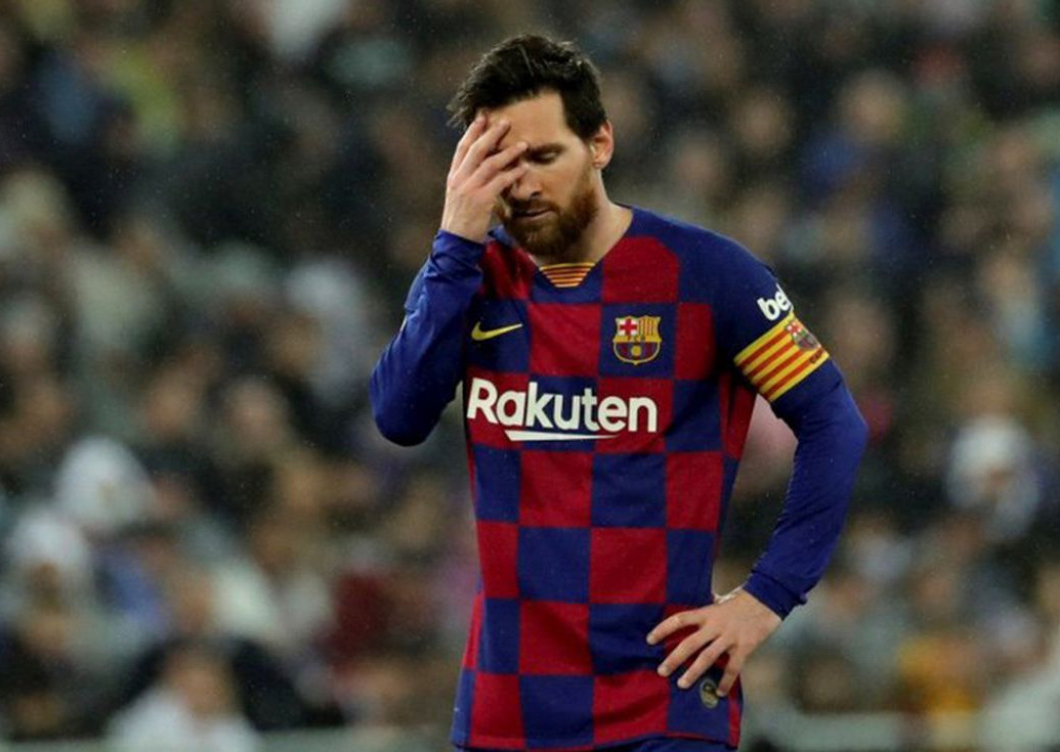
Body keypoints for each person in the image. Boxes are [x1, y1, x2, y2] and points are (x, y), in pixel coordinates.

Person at [370, 35, 867, 752]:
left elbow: (833, 421)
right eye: (501, 164)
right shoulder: (468, 277)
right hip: (506, 710)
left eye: (544, 157)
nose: (523, 186)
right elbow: (398, 416)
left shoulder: (704, 274)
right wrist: (453, 242)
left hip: (662, 702)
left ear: (599, 143)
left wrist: (767, 597)